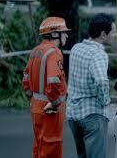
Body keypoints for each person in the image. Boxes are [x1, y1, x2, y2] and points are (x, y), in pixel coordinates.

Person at [66, 13, 117, 158]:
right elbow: (101, 81)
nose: (115, 35)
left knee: (82, 156)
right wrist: (105, 101)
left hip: (73, 114)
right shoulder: (99, 53)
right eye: (113, 31)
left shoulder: (76, 48)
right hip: (92, 114)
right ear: (103, 34)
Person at [22, 17, 69, 158]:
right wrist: (54, 102)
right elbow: (53, 80)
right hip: (50, 108)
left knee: (39, 145)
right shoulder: (54, 52)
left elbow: (25, 77)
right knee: (51, 148)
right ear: (54, 34)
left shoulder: (36, 51)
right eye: (63, 32)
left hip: (36, 106)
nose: (66, 35)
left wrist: (31, 94)